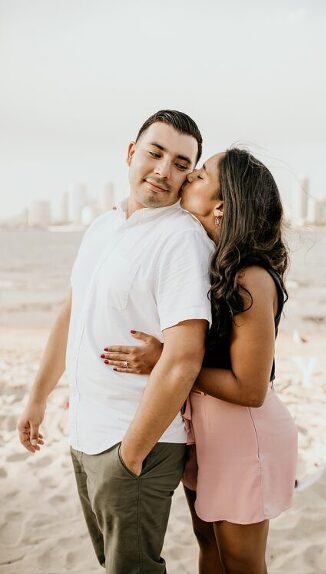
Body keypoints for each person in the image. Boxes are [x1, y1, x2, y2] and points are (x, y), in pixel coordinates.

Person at [17, 110, 214, 573]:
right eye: (155, 152)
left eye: (182, 163)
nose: (164, 170)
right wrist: (38, 396)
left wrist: (130, 455)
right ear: (131, 153)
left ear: (189, 177)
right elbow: (72, 314)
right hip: (86, 433)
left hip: (137, 441)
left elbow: (185, 357)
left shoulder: (181, 241)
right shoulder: (102, 227)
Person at [102, 147, 298, 574]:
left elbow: (251, 389)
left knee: (242, 561)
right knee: (207, 545)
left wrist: (167, 361)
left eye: (201, 174)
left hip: (245, 438)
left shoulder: (251, 277)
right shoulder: (207, 263)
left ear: (221, 205)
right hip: (207, 433)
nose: (188, 175)